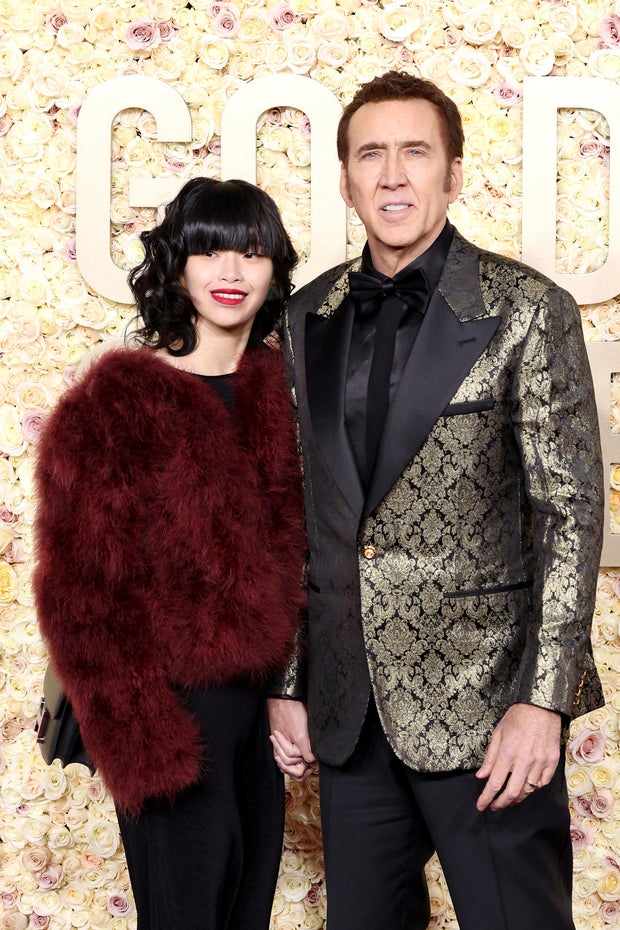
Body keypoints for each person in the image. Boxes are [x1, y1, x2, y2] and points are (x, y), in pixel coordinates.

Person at [268, 70, 605, 930]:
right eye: (370, 155)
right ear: (344, 178)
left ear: (454, 174)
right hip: (351, 717)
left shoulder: (528, 308)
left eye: (415, 152)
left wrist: (544, 700)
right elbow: (304, 514)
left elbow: (571, 514)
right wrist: (292, 681)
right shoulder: (306, 316)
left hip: (490, 705)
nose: (392, 176)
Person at [34, 177, 306, 930]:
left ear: (275, 270)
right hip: (170, 720)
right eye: (209, 250)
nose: (230, 272)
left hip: (258, 714)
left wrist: (294, 696)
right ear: (176, 266)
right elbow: (80, 597)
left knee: (245, 911)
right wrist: (143, 742)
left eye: (251, 253)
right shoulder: (116, 402)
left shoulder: (279, 394)